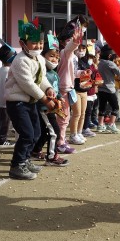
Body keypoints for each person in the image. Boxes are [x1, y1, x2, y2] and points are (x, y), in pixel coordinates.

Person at [5, 17, 56, 179]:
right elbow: (28, 84)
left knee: (35, 132)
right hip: (17, 103)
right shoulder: (20, 61)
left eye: (40, 43)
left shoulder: (40, 58)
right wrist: (44, 99)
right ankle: (17, 165)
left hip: (30, 102)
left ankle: (25, 159)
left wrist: (48, 88)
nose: (38, 46)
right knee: (26, 133)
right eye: (34, 43)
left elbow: (41, 79)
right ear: (22, 44)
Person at [32, 34, 69, 166]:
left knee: (44, 133)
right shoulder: (40, 72)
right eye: (51, 56)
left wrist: (59, 98)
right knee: (54, 133)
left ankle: (35, 151)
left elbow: (55, 89)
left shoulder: (54, 74)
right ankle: (52, 157)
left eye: (57, 57)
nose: (54, 59)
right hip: (43, 108)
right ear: (42, 55)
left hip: (53, 108)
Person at [55, 22, 83, 153]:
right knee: (63, 117)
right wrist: (75, 42)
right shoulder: (64, 52)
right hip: (62, 89)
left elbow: (70, 72)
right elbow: (68, 49)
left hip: (68, 88)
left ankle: (61, 139)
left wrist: (81, 73)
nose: (70, 42)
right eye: (68, 40)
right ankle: (60, 142)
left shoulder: (71, 56)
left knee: (64, 117)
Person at [0, 41, 17, 147]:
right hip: (5, 102)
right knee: (5, 122)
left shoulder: (0, 70)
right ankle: (2, 140)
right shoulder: (9, 71)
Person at [96, 44, 120, 134]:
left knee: (102, 107)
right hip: (110, 89)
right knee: (115, 107)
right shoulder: (110, 63)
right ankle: (111, 124)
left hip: (101, 89)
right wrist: (117, 66)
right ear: (110, 56)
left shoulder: (100, 63)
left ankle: (100, 125)